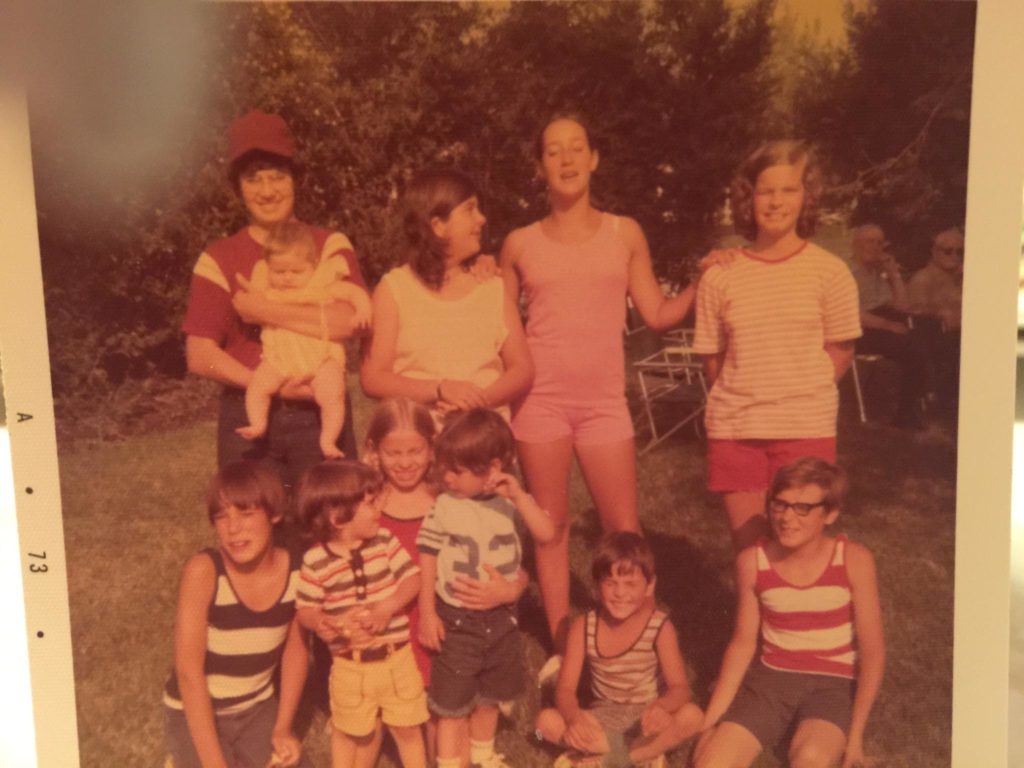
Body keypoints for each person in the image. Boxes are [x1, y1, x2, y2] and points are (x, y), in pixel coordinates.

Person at [500, 113, 711, 659]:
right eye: (553, 151)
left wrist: (701, 281)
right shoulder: (519, 244)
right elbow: (497, 325)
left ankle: (636, 642)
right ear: (540, 166)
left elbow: (657, 314)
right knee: (550, 528)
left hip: (603, 404)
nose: (566, 159)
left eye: (577, 147)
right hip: (539, 402)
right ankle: (560, 649)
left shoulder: (624, 233)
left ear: (594, 158)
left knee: (624, 531)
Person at [183, 110, 367, 490]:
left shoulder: (328, 244)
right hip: (248, 412)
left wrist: (264, 310)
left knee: (332, 519)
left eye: (277, 176)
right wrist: (267, 385)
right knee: (252, 520)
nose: (267, 191)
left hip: (321, 410)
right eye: (253, 179)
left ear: (295, 178)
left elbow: (348, 322)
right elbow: (200, 355)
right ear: (238, 187)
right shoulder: (219, 258)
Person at [693, 140, 861, 552]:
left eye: (788, 190)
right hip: (736, 429)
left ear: (806, 196)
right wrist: (746, 394)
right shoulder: (720, 275)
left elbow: (840, 352)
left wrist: (798, 392)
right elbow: (713, 359)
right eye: (765, 191)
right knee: (751, 553)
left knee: (798, 551)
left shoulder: (831, 272)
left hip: (805, 427)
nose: (776, 201)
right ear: (748, 198)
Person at [364, 398, 530, 763]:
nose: (405, 463)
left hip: (445, 627)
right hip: (390, 627)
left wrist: (511, 589)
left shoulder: (454, 497)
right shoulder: (367, 504)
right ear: (375, 451)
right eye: (393, 453)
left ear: (432, 449)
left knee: (445, 725)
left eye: (415, 451)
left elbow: (513, 560)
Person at [693, 458, 885, 768]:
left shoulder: (853, 559)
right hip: (772, 680)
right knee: (711, 764)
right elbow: (742, 644)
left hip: (832, 683)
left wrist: (855, 738)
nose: (786, 518)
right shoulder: (752, 562)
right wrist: (709, 725)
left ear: (830, 514)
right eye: (780, 505)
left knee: (810, 759)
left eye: (802, 508)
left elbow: (873, 654)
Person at [416, 409, 556, 768]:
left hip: (503, 618)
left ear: (493, 468)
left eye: (457, 470)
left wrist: (519, 495)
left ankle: (483, 756)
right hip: (458, 620)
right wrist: (428, 612)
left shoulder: (509, 503)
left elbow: (547, 534)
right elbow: (427, 557)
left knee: (490, 698)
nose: (447, 477)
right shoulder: (445, 505)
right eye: (444, 468)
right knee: (452, 706)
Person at [163, 461, 310, 768]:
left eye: (246, 513)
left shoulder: (297, 571)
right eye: (222, 517)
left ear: (274, 514)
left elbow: (296, 650)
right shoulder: (204, 572)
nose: (233, 528)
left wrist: (283, 727)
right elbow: (188, 674)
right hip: (194, 712)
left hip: (256, 708)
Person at [360, 168, 533, 426]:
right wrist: (440, 389)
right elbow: (373, 378)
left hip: (483, 438)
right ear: (438, 226)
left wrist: (478, 402)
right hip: (416, 442)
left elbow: (522, 369)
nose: (482, 219)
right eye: (469, 209)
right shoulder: (394, 289)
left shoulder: (491, 287)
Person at [295, 460, 428, 768]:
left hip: (396, 659)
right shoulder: (316, 560)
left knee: (408, 729)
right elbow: (306, 609)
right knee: (348, 732)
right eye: (369, 503)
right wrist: (322, 622)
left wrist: (387, 607)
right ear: (337, 517)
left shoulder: (384, 542)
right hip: (349, 666)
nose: (378, 508)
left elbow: (413, 580)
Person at [534, 531, 703, 768]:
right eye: (610, 583)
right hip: (602, 717)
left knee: (693, 716)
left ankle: (608, 758)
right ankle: (643, 755)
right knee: (544, 723)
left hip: (645, 719)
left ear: (649, 586)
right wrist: (574, 719)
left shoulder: (659, 627)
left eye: (630, 584)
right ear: (597, 586)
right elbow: (565, 689)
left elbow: (680, 688)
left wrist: (661, 708)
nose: (620, 593)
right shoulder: (583, 627)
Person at [237, 221, 372, 458]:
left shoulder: (321, 285)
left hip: (321, 358)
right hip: (279, 359)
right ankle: (258, 423)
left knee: (333, 395)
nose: (287, 278)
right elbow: (252, 287)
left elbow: (353, 292)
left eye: (296, 271)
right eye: (279, 272)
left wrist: (363, 310)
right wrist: (261, 276)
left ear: (313, 266)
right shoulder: (268, 293)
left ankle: (328, 440)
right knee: (258, 386)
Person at [848, 223, 929, 428]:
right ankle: (907, 411)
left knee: (924, 334)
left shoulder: (876, 273)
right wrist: (888, 325)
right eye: (870, 241)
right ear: (856, 244)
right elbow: (851, 313)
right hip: (857, 329)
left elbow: (902, 306)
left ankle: (916, 402)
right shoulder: (845, 273)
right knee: (910, 345)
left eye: (879, 243)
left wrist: (893, 274)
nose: (876, 247)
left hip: (879, 324)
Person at [907, 226, 964, 417]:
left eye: (959, 251)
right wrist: (940, 312)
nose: (954, 256)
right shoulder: (923, 278)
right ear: (934, 252)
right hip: (934, 334)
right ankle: (946, 401)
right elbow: (914, 310)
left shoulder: (962, 277)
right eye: (948, 251)